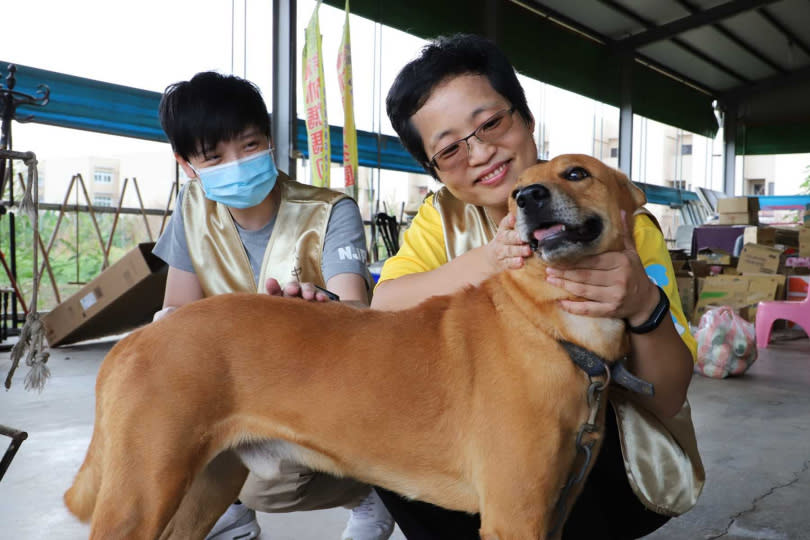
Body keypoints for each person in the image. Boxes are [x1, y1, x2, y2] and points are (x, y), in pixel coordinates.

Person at [371, 34, 704, 539]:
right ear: (433, 170)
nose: (480, 151)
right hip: (487, 440)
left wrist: (643, 304)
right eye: (449, 149)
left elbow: (666, 396)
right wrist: (489, 260)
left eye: (490, 123)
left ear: (526, 117)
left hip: (618, 455)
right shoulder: (441, 221)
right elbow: (385, 304)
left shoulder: (620, 224)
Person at [152, 71, 394, 540]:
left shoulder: (330, 212)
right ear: (187, 165)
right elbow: (176, 312)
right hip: (231, 385)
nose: (238, 163)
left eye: (249, 145)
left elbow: (357, 314)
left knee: (271, 481)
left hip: (319, 388)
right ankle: (227, 518)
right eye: (214, 156)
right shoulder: (192, 208)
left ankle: (369, 490)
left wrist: (319, 313)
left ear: (269, 141)